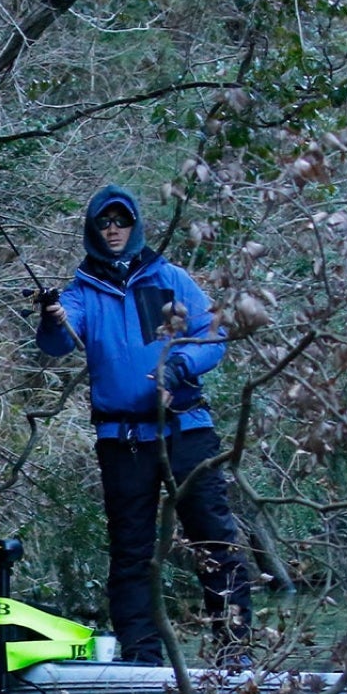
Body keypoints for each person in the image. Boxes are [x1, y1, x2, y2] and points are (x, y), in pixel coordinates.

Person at [35, 184, 252, 666]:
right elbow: (58, 343)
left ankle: (235, 654)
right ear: (93, 231)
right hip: (122, 441)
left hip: (186, 430)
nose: (113, 230)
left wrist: (178, 368)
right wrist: (50, 319)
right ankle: (142, 659)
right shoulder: (81, 294)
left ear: (136, 225)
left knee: (213, 538)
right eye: (104, 222)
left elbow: (214, 336)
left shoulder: (171, 279)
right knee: (130, 553)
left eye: (121, 220)